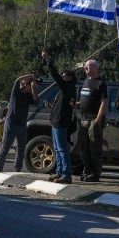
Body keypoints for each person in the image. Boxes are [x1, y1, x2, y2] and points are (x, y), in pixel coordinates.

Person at [42, 51, 78, 184]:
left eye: (66, 76)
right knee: (57, 148)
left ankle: (66, 174)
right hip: (57, 121)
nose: (63, 77)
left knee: (62, 149)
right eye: (63, 75)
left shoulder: (67, 87)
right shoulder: (66, 89)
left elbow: (55, 75)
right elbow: (64, 106)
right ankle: (59, 172)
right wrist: (52, 107)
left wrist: (48, 60)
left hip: (60, 122)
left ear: (71, 78)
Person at [0, 72, 39, 173]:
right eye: (29, 84)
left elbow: (36, 101)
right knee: (5, 147)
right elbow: (17, 80)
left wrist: (33, 88)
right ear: (25, 84)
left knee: (21, 148)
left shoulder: (29, 95)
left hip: (22, 124)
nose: (30, 86)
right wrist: (30, 76)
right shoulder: (16, 91)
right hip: (11, 123)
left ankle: (17, 170)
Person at [73, 58, 108, 183]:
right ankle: (87, 171)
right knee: (83, 148)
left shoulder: (100, 83)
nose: (85, 69)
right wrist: (75, 104)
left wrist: (98, 120)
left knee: (94, 149)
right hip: (83, 119)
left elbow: (104, 102)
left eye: (88, 67)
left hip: (94, 120)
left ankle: (95, 173)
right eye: (85, 67)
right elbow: (85, 99)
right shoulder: (86, 81)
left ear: (95, 68)